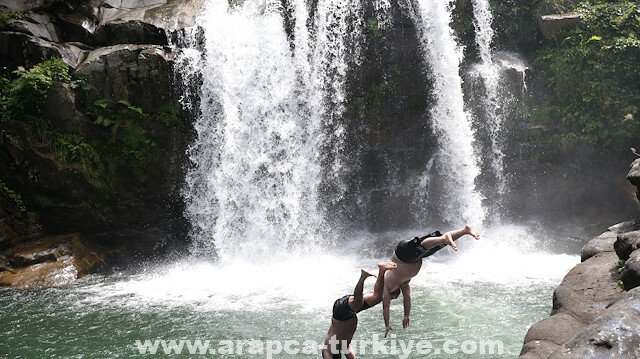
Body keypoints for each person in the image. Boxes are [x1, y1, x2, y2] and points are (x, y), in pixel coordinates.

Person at [381, 225, 481, 337]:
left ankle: (444, 238)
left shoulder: (386, 285)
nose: (389, 298)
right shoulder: (403, 283)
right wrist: (406, 316)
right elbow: (407, 299)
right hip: (412, 257)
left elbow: (386, 306)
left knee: (426, 245)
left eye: (392, 298)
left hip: (403, 255)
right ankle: (465, 231)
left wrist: (387, 325)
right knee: (439, 243)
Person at [322, 261, 399, 359]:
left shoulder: (327, 349)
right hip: (351, 312)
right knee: (377, 298)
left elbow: (327, 354)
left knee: (357, 303)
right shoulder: (345, 346)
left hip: (340, 313)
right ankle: (382, 270)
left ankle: (363, 277)